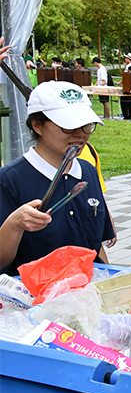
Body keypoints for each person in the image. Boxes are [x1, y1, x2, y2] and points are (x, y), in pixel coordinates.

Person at [0, 82, 116, 274]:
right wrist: (15, 225)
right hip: (35, 298)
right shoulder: (10, 179)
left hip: (87, 292)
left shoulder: (87, 171)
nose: (80, 134)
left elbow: (96, 248)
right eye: (68, 127)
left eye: (86, 125)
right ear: (37, 126)